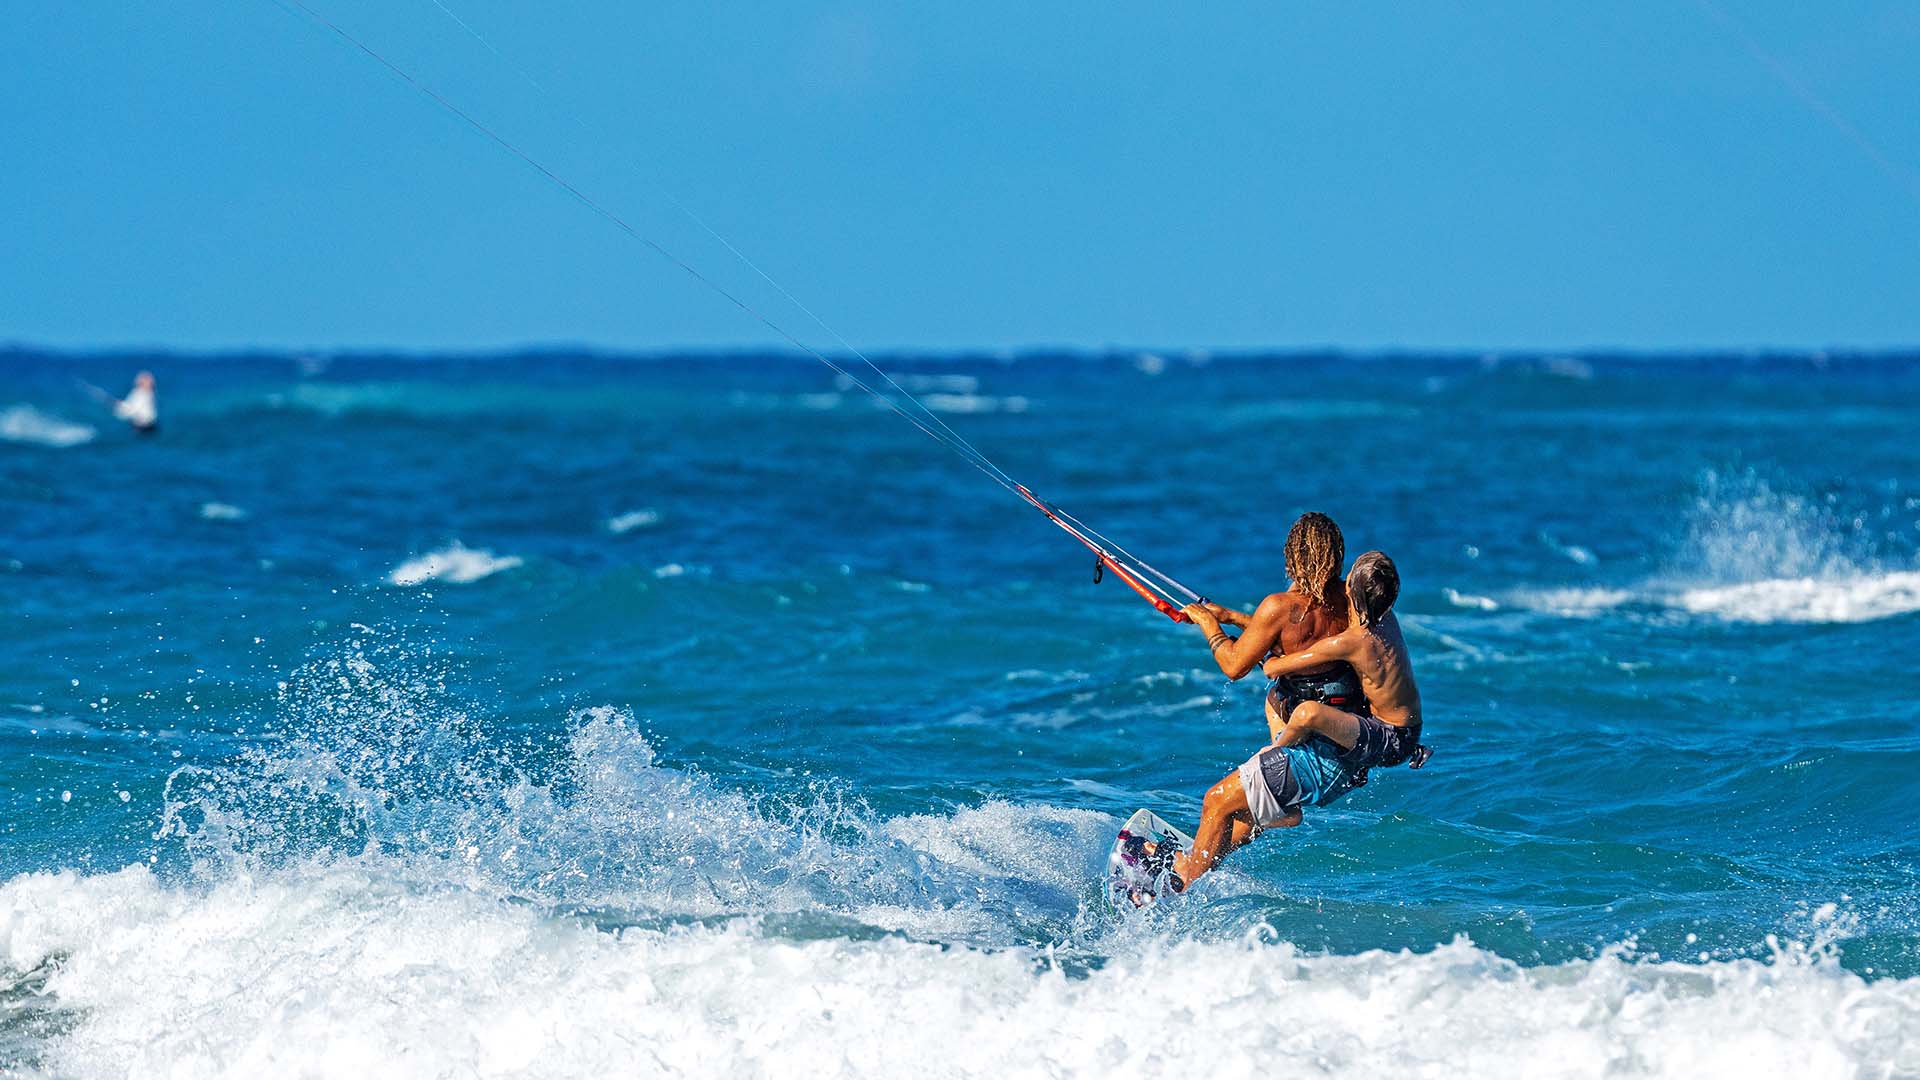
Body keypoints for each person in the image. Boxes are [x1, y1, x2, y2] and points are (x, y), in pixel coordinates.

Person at [1125, 513, 1368, 896]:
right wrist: (1234, 618)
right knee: (1240, 811)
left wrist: (1209, 625)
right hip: (1349, 751)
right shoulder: (1353, 603)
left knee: (1217, 801)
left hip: (1317, 759)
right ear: (1337, 556)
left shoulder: (1280, 606)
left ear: (1293, 557)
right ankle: (1199, 859)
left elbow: (1235, 665)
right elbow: (1296, 642)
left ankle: (1176, 886)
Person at [1262, 551, 1426, 773]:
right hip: (1410, 731)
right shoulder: (1386, 618)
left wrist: (1271, 649)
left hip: (1390, 741)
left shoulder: (1350, 643)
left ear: (1351, 590)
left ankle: (1274, 756)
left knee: (1307, 712)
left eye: (1348, 578)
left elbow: (1273, 669)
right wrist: (1233, 617)